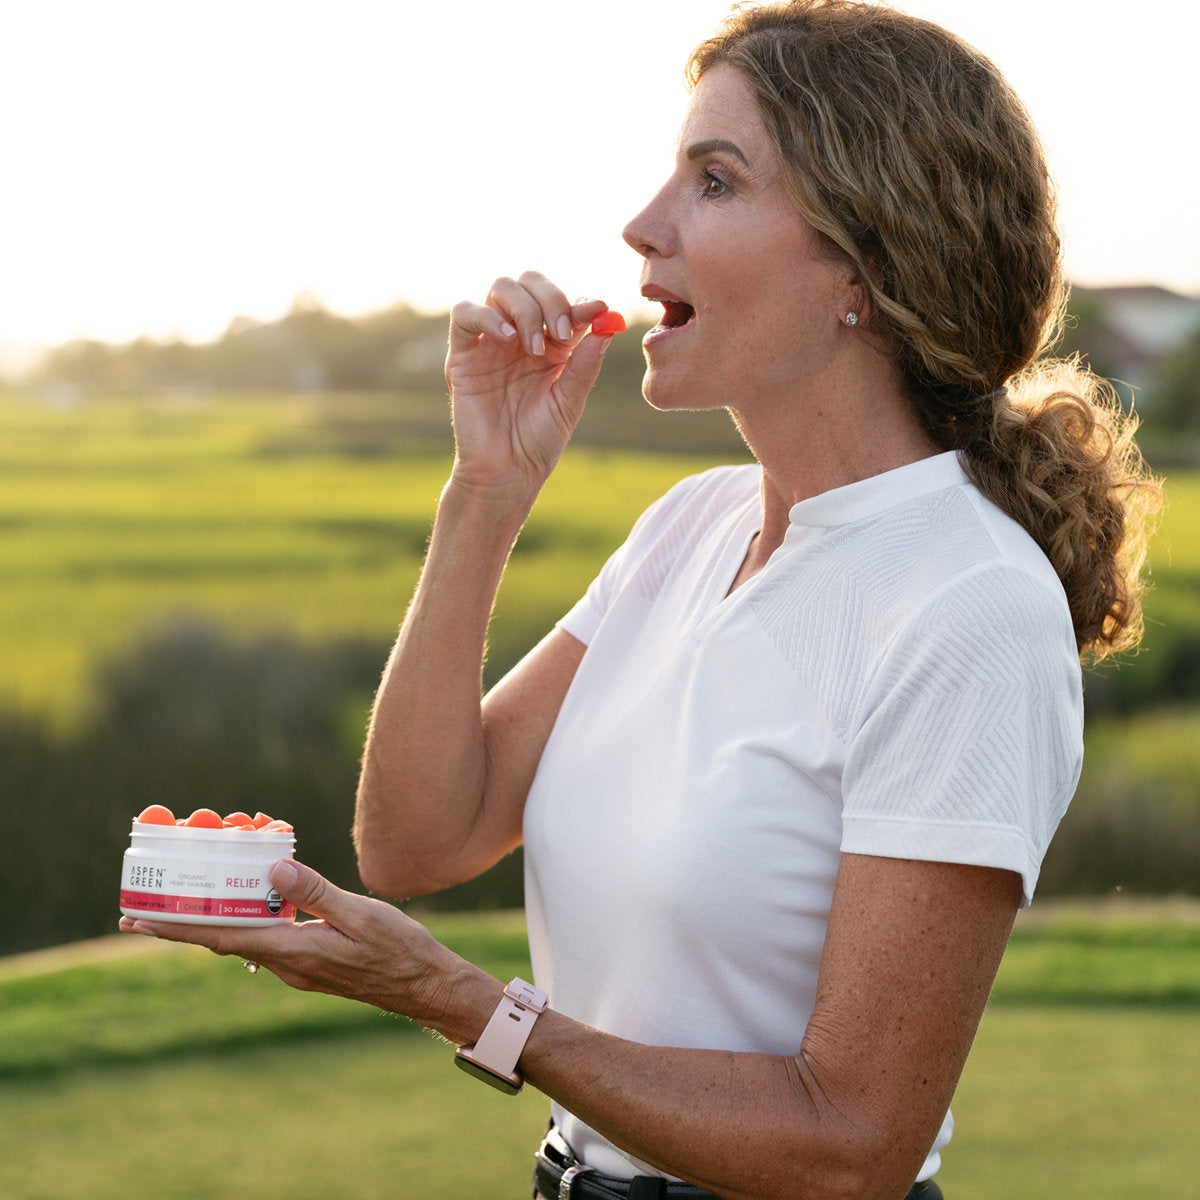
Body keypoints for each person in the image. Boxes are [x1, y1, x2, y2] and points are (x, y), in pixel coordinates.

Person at [119, 2, 1161, 1197]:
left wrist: (463, 1004)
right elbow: (417, 837)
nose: (641, 225)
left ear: (867, 266)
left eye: (714, 182)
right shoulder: (688, 526)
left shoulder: (968, 603)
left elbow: (851, 1146)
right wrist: (484, 495)